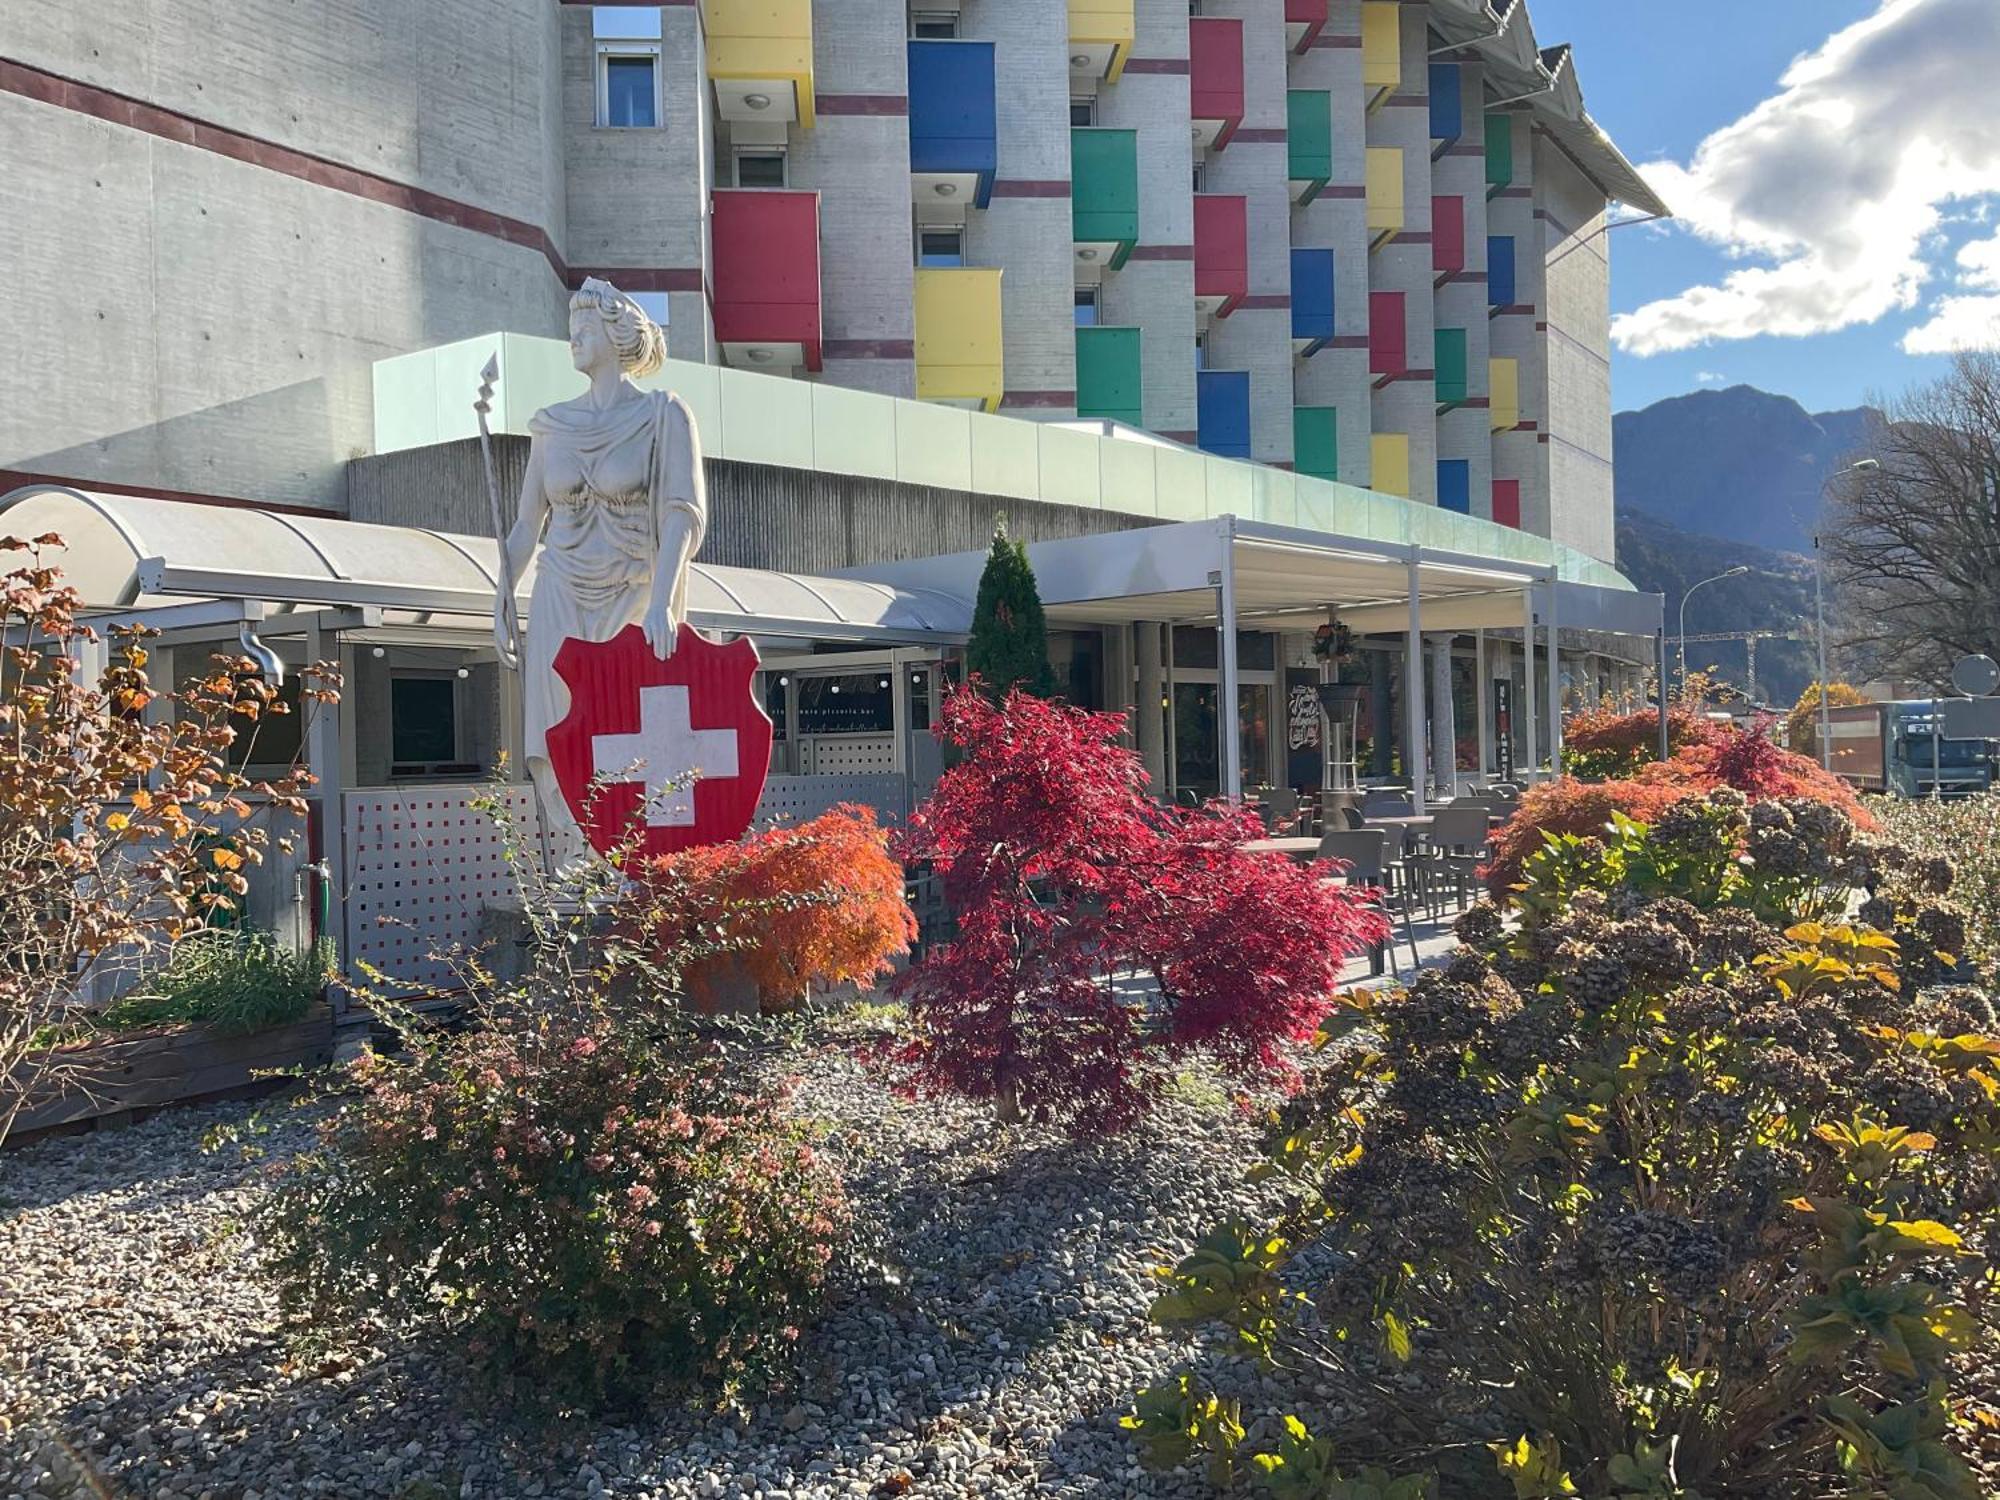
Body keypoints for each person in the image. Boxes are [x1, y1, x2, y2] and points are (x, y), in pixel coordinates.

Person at [495, 277, 706, 861]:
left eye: (584, 329)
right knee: (560, 727)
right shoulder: (551, 425)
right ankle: (572, 859)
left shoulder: (664, 415)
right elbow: (524, 527)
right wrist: (502, 598)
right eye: (570, 331)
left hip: (634, 591)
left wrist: (663, 600)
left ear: (616, 336)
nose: (573, 340)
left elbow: (682, 513)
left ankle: (625, 855)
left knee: (625, 725)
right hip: (560, 587)